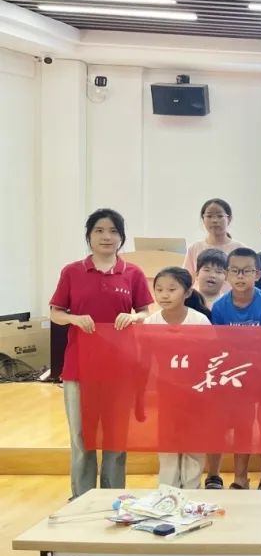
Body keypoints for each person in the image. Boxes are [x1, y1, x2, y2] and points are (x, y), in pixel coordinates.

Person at [50, 208, 153, 498]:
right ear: (89, 236)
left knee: (116, 437)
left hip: (120, 368)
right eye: (99, 230)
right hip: (79, 367)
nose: (106, 237)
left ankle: (112, 497)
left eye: (113, 231)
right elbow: (56, 313)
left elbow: (145, 311)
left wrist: (134, 317)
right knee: (81, 436)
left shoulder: (132, 273)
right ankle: (81, 498)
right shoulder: (72, 271)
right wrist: (74, 318)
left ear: (121, 237)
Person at [207, 247, 261, 490]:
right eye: (235, 271)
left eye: (246, 271)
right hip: (233, 377)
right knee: (241, 425)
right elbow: (219, 346)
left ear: (257, 274)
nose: (240, 276)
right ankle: (240, 478)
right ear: (226, 274)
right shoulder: (220, 307)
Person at [144, 267, 211, 489]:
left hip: (195, 394)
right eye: (159, 289)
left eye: (172, 289)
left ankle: (192, 490)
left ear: (187, 292)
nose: (164, 295)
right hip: (166, 394)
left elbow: (210, 357)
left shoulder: (200, 321)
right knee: (168, 444)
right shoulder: (151, 323)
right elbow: (145, 360)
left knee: (194, 443)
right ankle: (168, 490)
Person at [182, 198, 245, 276]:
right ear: (203, 219)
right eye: (209, 216)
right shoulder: (194, 248)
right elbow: (186, 279)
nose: (214, 220)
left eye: (220, 216)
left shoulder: (240, 249)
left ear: (229, 219)